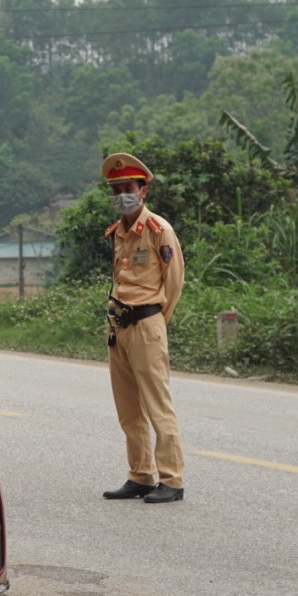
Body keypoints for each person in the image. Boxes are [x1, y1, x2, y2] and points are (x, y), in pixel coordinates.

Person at [99, 153, 187, 504]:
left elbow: (174, 282)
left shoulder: (158, 230)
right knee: (128, 409)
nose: (122, 195)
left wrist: (155, 323)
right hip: (118, 326)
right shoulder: (118, 233)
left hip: (147, 324)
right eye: (117, 189)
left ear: (143, 191)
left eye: (128, 188)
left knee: (157, 405)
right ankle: (140, 474)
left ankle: (172, 479)